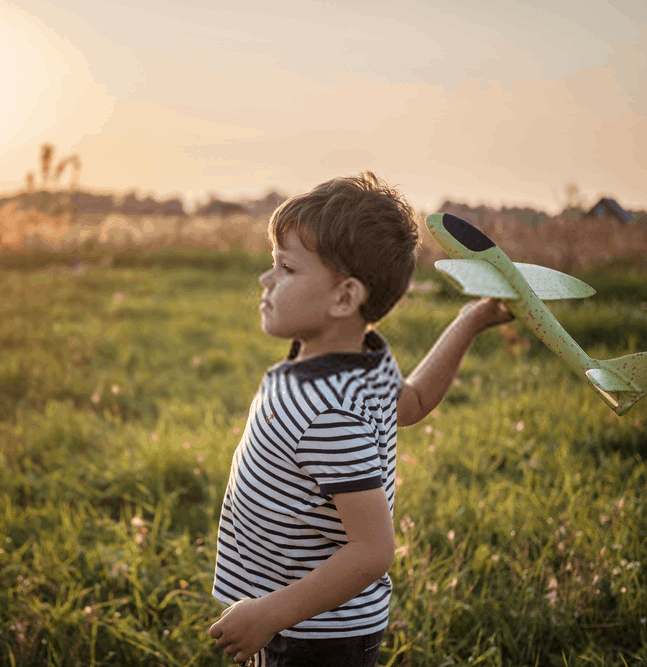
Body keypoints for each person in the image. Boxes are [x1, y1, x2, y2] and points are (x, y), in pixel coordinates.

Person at [208, 173, 512, 666]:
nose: (266, 280)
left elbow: (372, 550)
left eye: (285, 268)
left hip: (313, 631)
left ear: (345, 299)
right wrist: (471, 319)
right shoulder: (355, 362)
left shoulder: (330, 414)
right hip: (292, 613)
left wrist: (267, 615)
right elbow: (409, 403)